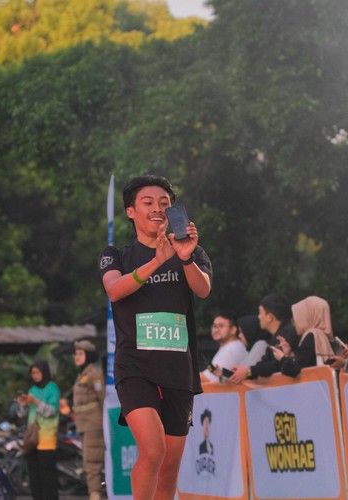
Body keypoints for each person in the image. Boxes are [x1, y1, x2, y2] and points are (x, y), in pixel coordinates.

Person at [98, 175, 212, 500]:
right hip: (135, 368)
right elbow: (114, 290)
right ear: (131, 211)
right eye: (148, 203)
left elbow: (203, 289)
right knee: (152, 450)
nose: (158, 209)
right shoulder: (115, 255)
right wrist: (156, 262)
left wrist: (184, 257)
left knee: (169, 469)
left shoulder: (191, 251)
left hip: (178, 369)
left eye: (164, 203)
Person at [229, 294, 298, 384]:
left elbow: (277, 365)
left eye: (260, 313)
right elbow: (264, 364)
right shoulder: (276, 337)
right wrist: (245, 371)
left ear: (270, 317)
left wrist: (249, 371)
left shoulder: (289, 334)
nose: (258, 317)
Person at [16, 360, 60, 500]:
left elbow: (51, 411)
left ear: (44, 372)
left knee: (47, 477)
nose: (35, 375)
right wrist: (23, 405)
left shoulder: (52, 388)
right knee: (34, 477)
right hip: (32, 440)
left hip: (47, 439)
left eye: (37, 372)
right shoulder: (32, 390)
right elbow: (23, 415)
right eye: (33, 373)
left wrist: (36, 402)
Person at [72, 340, 105, 500]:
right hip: (83, 425)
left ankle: (95, 494)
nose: (77, 357)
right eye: (76, 354)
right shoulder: (82, 375)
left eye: (81, 353)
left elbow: (102, 398)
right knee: (88, 462)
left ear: (89, 355)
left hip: (93, 424)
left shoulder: (94, 375)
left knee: (92, 462)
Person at [271, 296, 335, 377]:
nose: (295, 322)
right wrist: (291, 354)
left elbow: (293, 370)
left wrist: (282, 358)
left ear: (308, 316)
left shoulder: (312, 336)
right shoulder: (323, 336)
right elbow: (306, 360)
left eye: (298, 317)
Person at [200, 312, 247, 383]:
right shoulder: (229, 346)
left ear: (233, 330)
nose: (216, 330)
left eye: (221, 326)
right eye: (214, 326)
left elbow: (208, 378)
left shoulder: (232, 348)